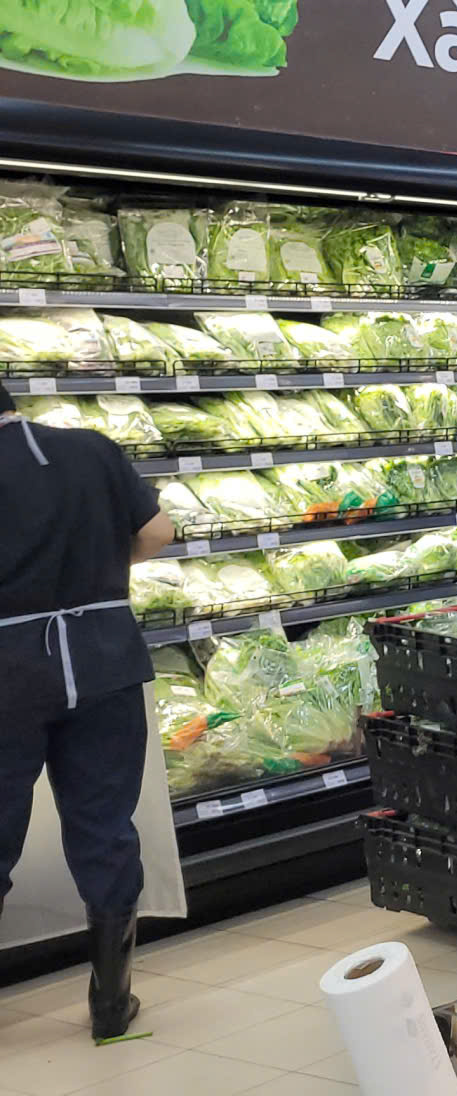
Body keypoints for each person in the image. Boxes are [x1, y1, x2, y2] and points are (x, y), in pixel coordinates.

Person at [0, 381, 176, 1039]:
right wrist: (97, 571)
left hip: (7, 673)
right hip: (104, 661)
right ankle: (111, 1004)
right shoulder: (91, 449)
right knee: (104, 826)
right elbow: (157, 531)